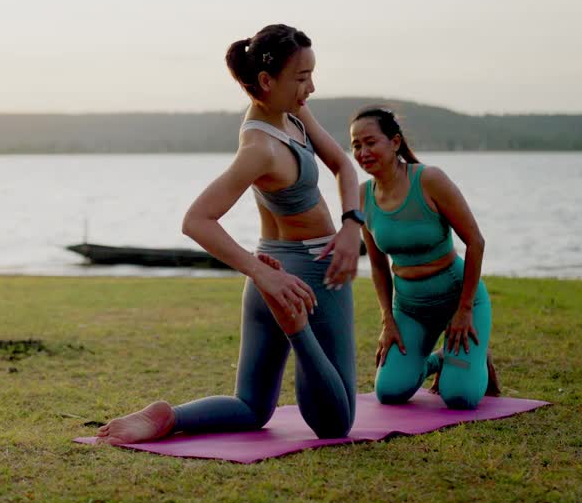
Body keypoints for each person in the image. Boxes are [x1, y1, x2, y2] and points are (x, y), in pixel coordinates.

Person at [95, 24, 366, 444]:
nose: (310, 87)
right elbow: (197, 219)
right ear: (265, 80)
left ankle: (171, 416)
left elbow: (343, 166)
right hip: (308, 276)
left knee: (252, 407)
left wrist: (352, 223)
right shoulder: (260, 148)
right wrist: (264, 275)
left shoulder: (288, 113)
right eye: (301, 77)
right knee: (336, 423)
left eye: (311, 74)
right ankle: (296, 330)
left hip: (273, 270)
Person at [349, 107, 497, 410]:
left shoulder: (429, 179)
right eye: (356, 145)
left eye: (370, 142)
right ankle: (440, 360)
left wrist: (465, 309)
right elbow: (378, 265)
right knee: (389, 392)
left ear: (395, 142)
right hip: (410, 308)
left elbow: (476, 242)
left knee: (460, 397)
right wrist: (387, 320)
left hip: (458, 299)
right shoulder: (363, 196)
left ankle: (475, 357)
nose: (363, 152)